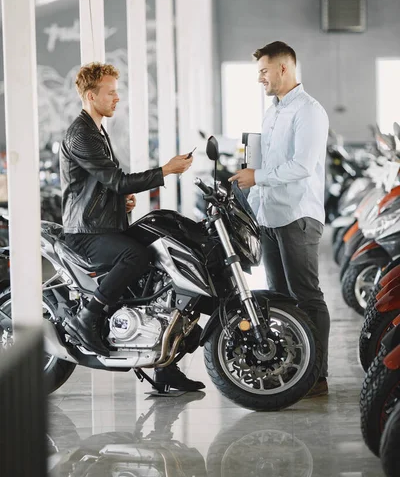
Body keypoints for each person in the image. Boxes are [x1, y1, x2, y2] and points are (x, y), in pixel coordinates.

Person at [60, 62, 204, 391]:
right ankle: (89, 316)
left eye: (116, 91)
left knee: (161, 268)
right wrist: (166, 170)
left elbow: (102, 186)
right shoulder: (81, 133)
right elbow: (116, 180)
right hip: (84, 233)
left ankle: (164, 367)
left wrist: (118, 203)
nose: (117, 98)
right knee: (135, 256)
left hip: (101, 225)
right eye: (110, 92)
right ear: (90, 95)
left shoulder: (96, 130)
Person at [229, 41, 330, 398]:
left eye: (264, 71)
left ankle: (317, 373)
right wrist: (251, 194)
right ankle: (293, 368)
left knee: (306, 295)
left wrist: (256, 178)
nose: (260, 79)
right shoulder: (272, 111)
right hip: (271, 215)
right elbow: (265, 162)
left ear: (284, 69)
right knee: (280, 299)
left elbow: (302, 166)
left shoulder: (309, 112)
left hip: (298, 214)